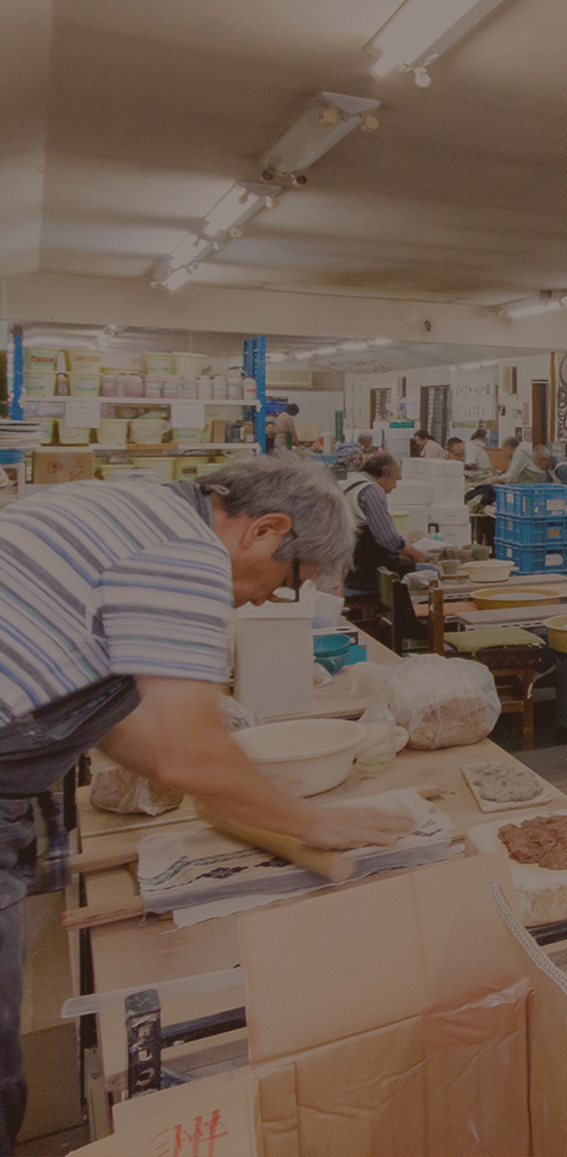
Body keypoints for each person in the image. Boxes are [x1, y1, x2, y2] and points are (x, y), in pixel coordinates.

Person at [0, 457, 415, 1146]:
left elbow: (121, 729)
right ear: (264, 530)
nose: (268, 600)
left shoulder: (139, 512)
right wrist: (314, 821)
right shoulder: (184, 554)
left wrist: (242, 792)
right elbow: (187, 753)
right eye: (289, 581)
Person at [339, 453, 429, 594]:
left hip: (353, 565)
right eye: (395, 479)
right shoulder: (371, 490)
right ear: (385, 472)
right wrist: (415, 552)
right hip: (368, 573)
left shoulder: (352, 483)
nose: (395, 486)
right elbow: (388, 539)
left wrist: (400, 551)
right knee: (431, 572)